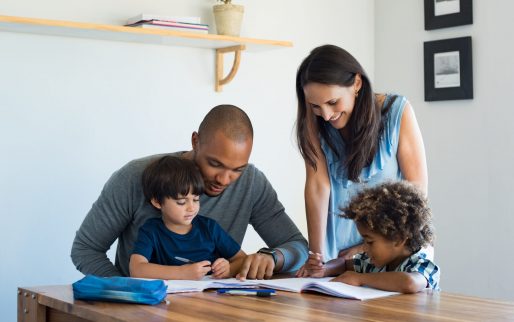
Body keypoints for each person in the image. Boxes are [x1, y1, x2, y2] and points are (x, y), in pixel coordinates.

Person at [71, 104, 308, 279]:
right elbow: (85, 249)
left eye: (237, 169)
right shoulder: (135, 177)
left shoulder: (251, 182)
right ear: (195, 141)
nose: (224, 180)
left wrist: (273, 257)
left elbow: (297, 246)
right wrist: (127, 292)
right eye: (215, 164)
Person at [294, 44, 428, 276]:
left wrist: (367, 246)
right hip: (337, 257)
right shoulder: (314, 124)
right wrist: (316, 256)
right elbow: (317, 186)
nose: (326, 114)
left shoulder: (398, 111)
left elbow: (416, 192)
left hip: (392, 253)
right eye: (315, 106)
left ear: (356, 84)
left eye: (333, 102)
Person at [129, 156, 246, 280]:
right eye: (181, 202)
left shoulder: (209, 228)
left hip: (210, 296)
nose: (191, 208)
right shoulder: (151, 230)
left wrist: (228, 269)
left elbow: (242, 259)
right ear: (157, 202)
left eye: (196, 199)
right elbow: (136, 269)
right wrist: (182, 273)